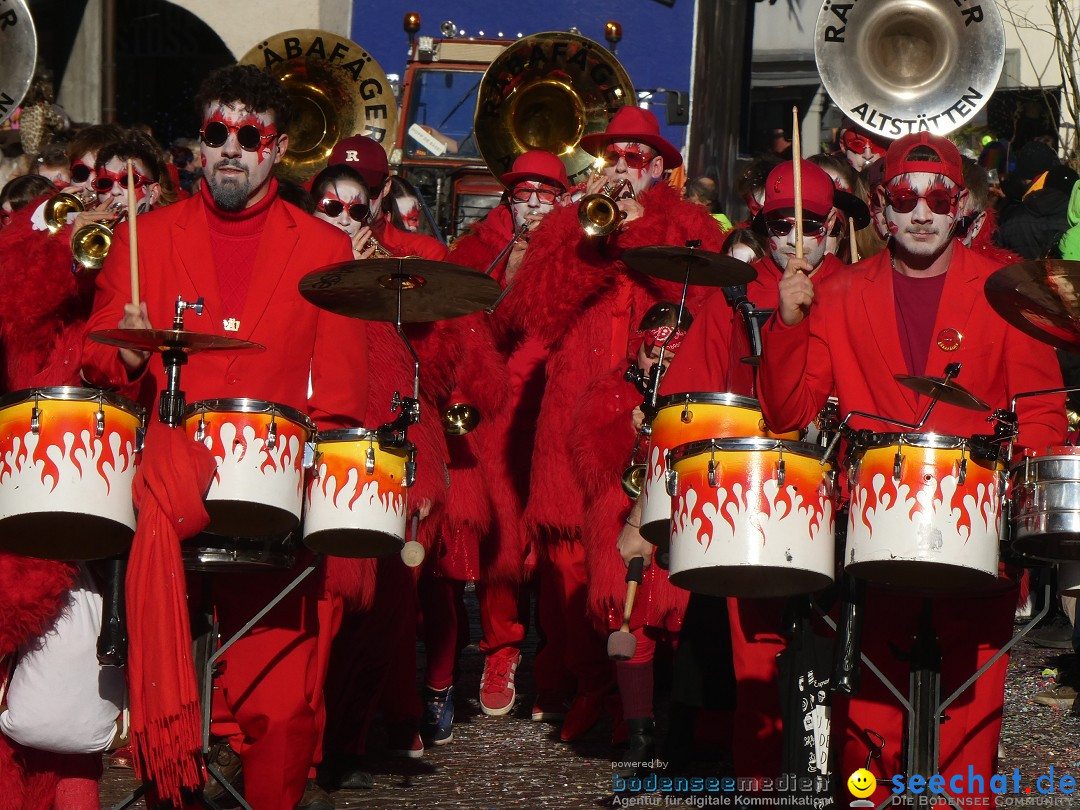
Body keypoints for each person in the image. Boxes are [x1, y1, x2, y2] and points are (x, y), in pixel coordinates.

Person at [81, 64, 370, 810]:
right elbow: (96, 359)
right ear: (197, 149)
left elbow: (338, 398)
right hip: (162, 498)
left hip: (268, 503)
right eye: (216, 134)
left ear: (277, 149)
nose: (231, 149)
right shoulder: (143, 237)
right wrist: (128, 350)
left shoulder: (322, 250)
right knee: (167, 707)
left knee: (280, 711)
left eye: (249, 135)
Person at [758, 132, 1065, 803]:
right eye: (905, 197)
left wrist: (1026, 506)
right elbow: (787, 413)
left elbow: (1041, 409)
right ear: (880, 208)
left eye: (937, 197)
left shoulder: (1007, 285)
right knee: (869, 743)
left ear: (961, 207)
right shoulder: (836, 293)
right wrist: (786, 323)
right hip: (873, 539)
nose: (921, 212)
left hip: (974, 529)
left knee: (966, 748)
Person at [617, 159, 846, 788]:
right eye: (781, 224)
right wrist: (647, 511)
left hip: (849, 498)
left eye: (813, 224)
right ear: (760, 224)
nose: (798, 238)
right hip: (756, 505)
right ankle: (758, 787)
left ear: (835, 226)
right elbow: (687, 406)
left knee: (843, 659)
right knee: (759, 664)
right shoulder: (732, 295)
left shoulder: (859, 287)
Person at [501, 106, 725, 743]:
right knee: (567, 564)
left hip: (648, 416)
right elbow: (533, 310)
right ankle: (583, 686)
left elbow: (700, 303)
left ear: (658, 169)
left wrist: (631, 229)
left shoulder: (689, 226)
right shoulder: (571, 223)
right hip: (569, 412)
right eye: (614, 156)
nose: (621, 170)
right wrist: (582, 232)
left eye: (635, 158)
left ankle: (650, 702)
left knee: (647, 559)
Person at [449, 149, 569, 720]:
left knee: (555, 542)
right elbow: (468, 328)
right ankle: (501, 649)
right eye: (525, 193)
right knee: (500, 541)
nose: (535, 204)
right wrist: (513, 267)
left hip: (556, 405)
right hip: (499, 410)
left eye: (547, 194)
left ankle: (555, 661)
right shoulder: (481, 249)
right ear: (507, 199)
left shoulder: (578, 242)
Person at [572, 301, 693, 777]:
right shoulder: (608, 389)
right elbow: (586, 458)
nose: (659, 362)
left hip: (681, 522)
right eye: (652, 349)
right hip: (620, 523)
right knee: (632, 627)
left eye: (671, 353)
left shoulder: (697, 393)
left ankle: (686, 730)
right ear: (638, 346)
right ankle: (640, 734)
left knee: (686, 622)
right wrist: (629, 425)